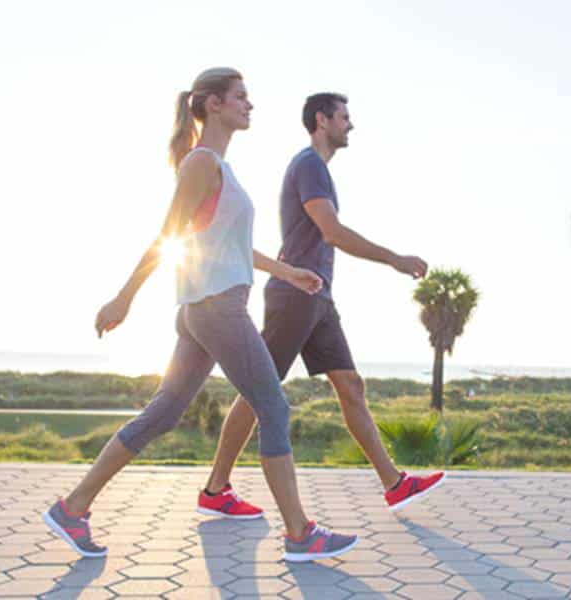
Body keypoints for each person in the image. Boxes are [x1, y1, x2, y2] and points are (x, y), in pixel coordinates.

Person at [42, 68, 357, 562]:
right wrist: (124, 297)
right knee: (273, 407)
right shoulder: (202, 163)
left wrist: (288, 272)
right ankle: (300, 534)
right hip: (216, 307)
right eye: (241, 97)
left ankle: (72, 507)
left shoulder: (219, 168)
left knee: (163, 413)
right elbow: (169, 235)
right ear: (213, 104)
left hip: (203, 308)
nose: (250, 105)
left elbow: (228, 244)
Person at [197, 93, 445, 517]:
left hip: (318, 296)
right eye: (344, 117)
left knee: (350, 385)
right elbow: (332, 232)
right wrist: (394, 259)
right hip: (296, 294)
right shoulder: (309, 165)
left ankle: (394, 484)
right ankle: (215, 489)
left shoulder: (318, 169)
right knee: (259, 389)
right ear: (322, 120)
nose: (351, 125)